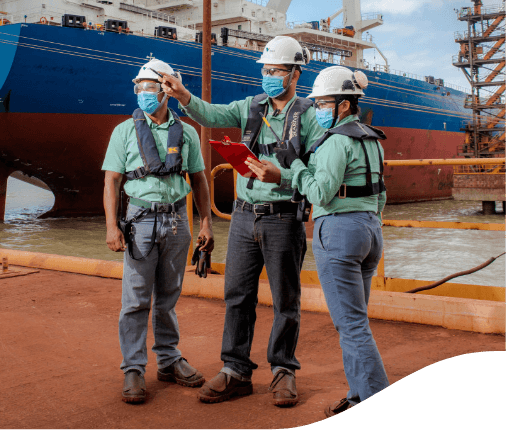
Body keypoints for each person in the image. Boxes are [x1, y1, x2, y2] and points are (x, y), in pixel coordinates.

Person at [159, 36, 324, 407]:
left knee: (286, 300)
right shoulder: (251, 106)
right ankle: (235, 370)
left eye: (276, 70)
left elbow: (318, 172)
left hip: (284, 218)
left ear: (295, 73)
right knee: (237, 295)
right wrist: (184, 96)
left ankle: (283, 371)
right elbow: (213, 116)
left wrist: (279, 177)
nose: (268, 76)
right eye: (265, 70)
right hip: (243, 216)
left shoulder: (311, 117)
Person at [269, 65, 390, 416]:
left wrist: (296, 166)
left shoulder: (336, 141)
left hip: (338, 231)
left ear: (343, 105)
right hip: (371, 230)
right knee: (355, 322)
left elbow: (320, 193)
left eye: (323, 103)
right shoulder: (371, 139)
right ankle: (356, 394)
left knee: (351, 325)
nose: (318, 109)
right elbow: (380, 194)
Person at [102, 58, 214, 404]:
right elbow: (112, 181)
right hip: (139, 222)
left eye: (149, 87)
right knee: (135, 300)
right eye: (139, 88)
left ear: (166, 90)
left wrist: (207, 221)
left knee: (168, 298)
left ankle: (168, 360)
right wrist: (111, 226)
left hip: (177, 221)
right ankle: (133, 368)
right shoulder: (123, 131)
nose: (143, 94)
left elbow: (198, 177)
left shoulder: (188, 132)